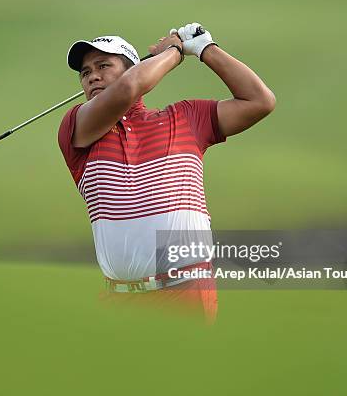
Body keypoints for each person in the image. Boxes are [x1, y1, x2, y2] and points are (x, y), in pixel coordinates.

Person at [58, 23, 275, 322]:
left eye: (103, 65)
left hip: (186, 293)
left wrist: (203, 49)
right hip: (118, 301)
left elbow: (260, 101)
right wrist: (174, 51)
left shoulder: (185, 118)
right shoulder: (77, 129)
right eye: (85, 72)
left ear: (133, 68)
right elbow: (128, 89)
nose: (92, 75)